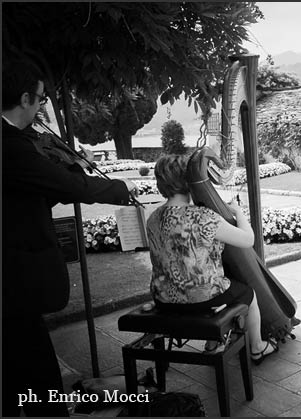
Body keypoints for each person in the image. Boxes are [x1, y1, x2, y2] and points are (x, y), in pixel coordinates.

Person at [2, 58, 138, 417]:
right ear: (26, 98)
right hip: (14, 278)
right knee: (36, 371)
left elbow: (32, 191)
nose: (42, 107)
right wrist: (121, 187)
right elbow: (67, 183)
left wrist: (61, 182)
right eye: (42, 99)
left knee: (20, 367)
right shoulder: (11, 146)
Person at [145, 154, 278, 364]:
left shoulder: (153, 217)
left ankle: (213, 341)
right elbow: (248, 240)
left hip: (163, 299)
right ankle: (257, 347)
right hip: (201, 298)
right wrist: (238, 212)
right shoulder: (202, 217)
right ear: (190, 180)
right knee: (247, 293)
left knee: (213, 287)